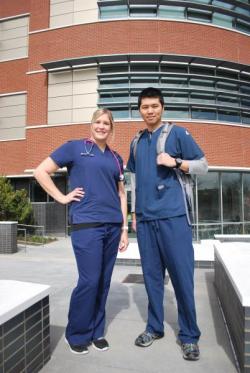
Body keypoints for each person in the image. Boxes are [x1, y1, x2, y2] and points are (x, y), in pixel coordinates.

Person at [34, 108, 129, 355]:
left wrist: (124, 228)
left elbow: (121, 193)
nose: (101, 126)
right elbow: (41, 171)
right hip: (87, 225)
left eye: (106, 123)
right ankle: (76, 333)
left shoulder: (116, 158)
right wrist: (62, 197)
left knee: (104, 282)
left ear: (111, 127)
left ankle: (96, 332)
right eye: (98, 122)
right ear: (91, 124)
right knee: (89, 280)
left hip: (112, 226)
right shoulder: (74, 148)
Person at [127, 87, 208, 361]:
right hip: (146, 222)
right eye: (145, 106)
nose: (149, 111)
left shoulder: (178, 133)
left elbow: (204, 166)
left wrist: (176, 161)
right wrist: (134, 215)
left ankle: (189, 336)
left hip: (174, 218)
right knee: (151, 280)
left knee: (182, 280)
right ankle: (154, 328)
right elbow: (134, 182)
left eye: (154, 106)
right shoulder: (136, 142)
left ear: (162, 107)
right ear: (139, 109)